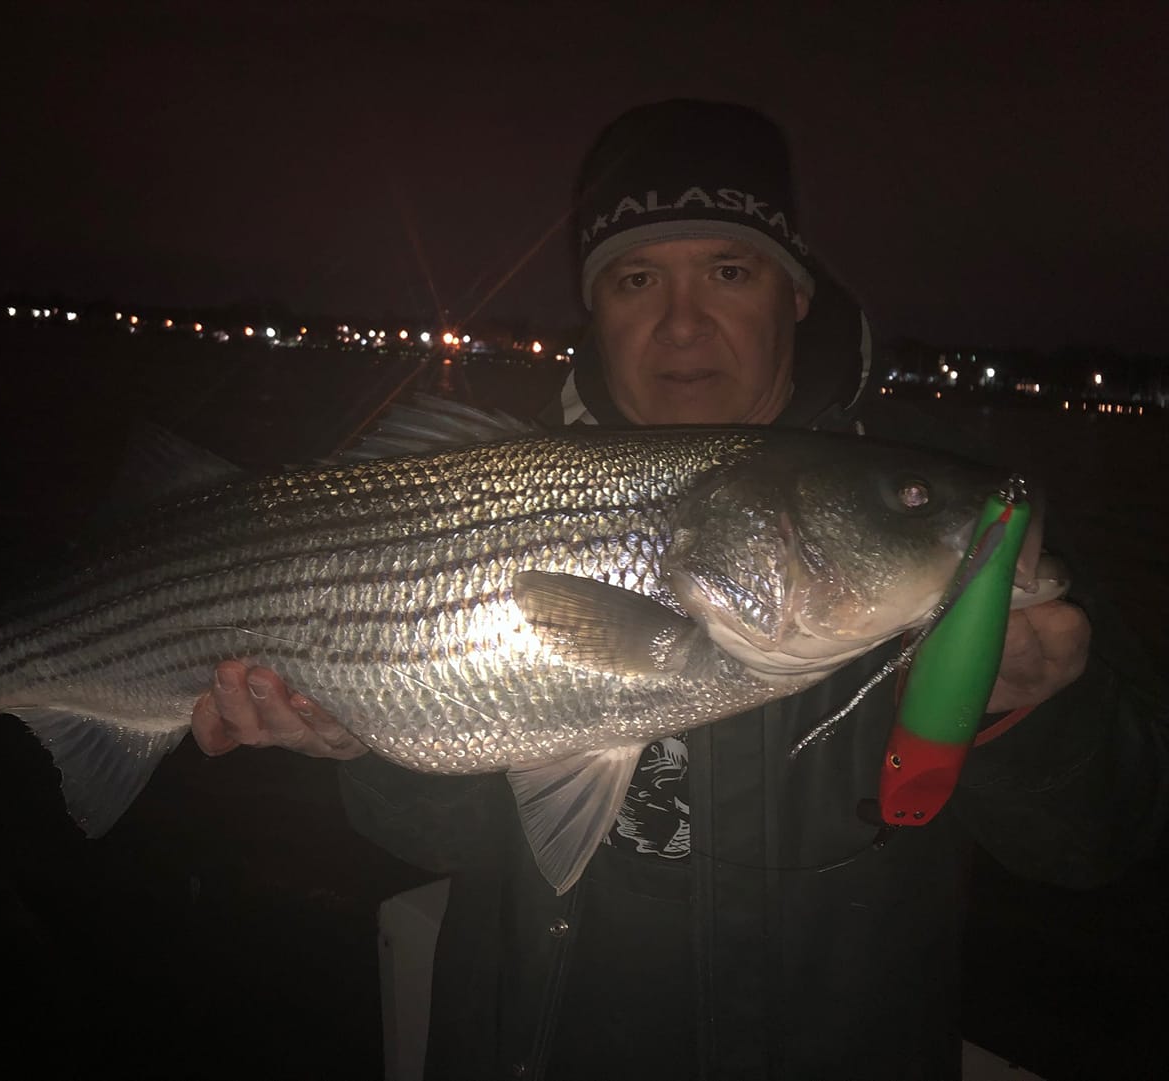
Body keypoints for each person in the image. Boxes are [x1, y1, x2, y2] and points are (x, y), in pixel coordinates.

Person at [190, 101, 1165, 1079]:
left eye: (729, 271)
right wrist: (363, 733)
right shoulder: (502, 481)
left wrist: (1034, 716)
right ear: (596, 307)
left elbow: (1099, 844)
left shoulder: (931, 509)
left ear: (796, 294)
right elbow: (433, 839)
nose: (682, 322)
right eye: (637, 278)